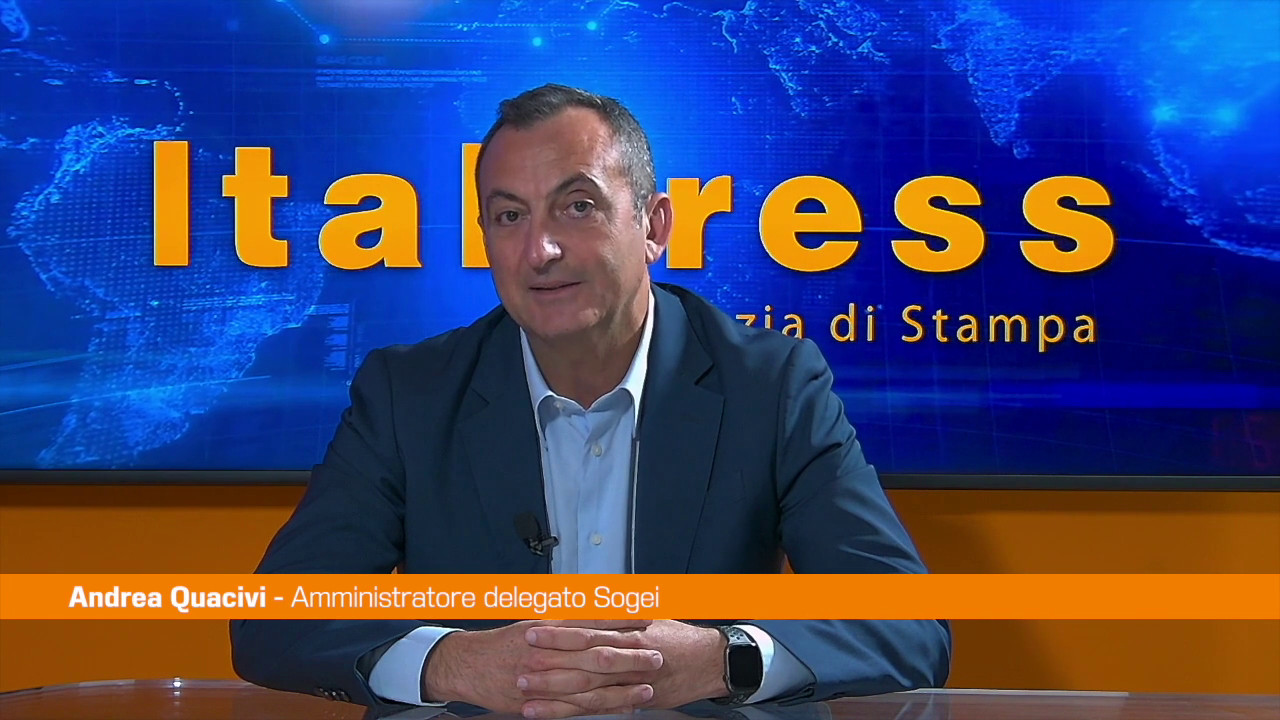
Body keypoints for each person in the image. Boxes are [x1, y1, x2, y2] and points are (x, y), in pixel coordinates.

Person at [230, 83, 951, 716]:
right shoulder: (409, 394)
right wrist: (453, 663)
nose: (539, 250)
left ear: (655, 226)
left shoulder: (770, 384)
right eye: (509, 216)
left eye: (577, 207)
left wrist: (720, 660)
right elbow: (274, 619)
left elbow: (908, 626)